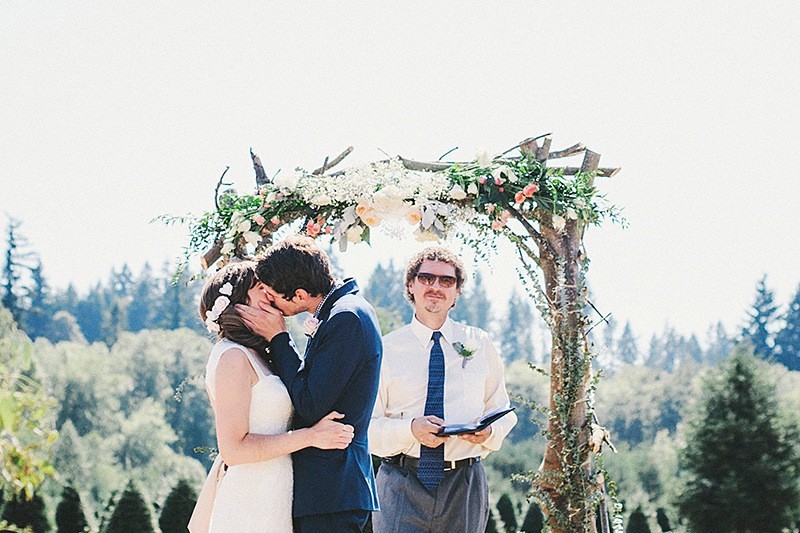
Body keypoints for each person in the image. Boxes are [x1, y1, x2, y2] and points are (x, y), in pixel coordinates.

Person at [194, 261, 355, 533]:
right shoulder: (232, 357)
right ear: (239, 304)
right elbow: (233, 449)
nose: (271, 293)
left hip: (276, 494)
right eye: (260, 288)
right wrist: (312, 436)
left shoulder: (260, 354)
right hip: (249, 501)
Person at [236, 235, 382, 533]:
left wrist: (279, 338)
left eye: (274, 296)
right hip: (327, 492)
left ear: (299, 295)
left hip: (331, 490)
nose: (271, 304)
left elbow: (310, 404)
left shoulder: (346, 318)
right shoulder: (340, 311)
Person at [369, 246, 518, 533]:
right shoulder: (385, 349)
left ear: (457, 291)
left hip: (465, 482)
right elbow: (367, 428)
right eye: (426, 278)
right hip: (400, 482)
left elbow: (503, 412)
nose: (435, 287)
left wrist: (489, 433)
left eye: (446, 281)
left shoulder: (480, 343)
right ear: (411, 285)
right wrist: (411, 429)